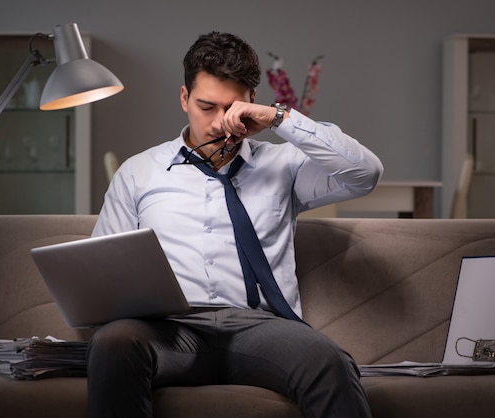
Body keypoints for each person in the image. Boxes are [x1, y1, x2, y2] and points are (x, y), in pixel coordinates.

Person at [87, 31, 383, 418]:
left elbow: (365, 174)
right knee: (113, 343)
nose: (215, 124)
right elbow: (100, 268)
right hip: (167, 331)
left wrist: (279, 119)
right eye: (205, 106)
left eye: (229, 108)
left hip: (260, 329)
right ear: (183, 98)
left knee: (329, 361)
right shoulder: (139, 172)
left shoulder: (284, 166)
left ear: (251, 103)